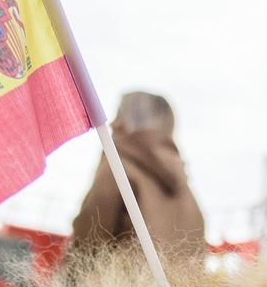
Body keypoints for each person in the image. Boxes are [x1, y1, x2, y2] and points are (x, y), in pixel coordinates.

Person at [69, 91, 206, 258]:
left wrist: (67, 280)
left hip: (120, 282)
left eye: (117, 114)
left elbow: (87, 244)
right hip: (182, 284)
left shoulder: (118, 169)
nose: (112, 123)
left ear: (121, 122)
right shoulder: (186, 190)